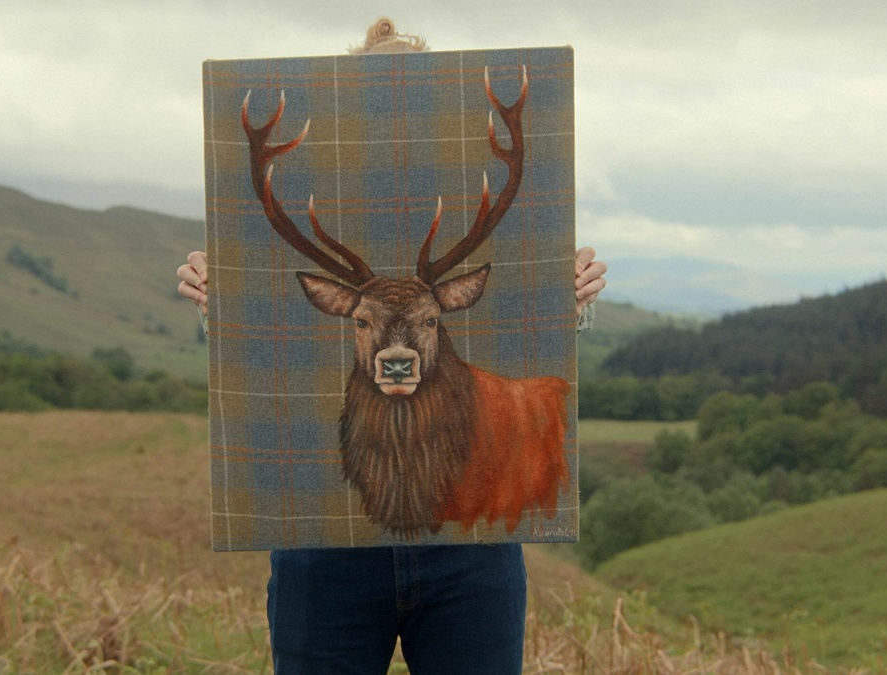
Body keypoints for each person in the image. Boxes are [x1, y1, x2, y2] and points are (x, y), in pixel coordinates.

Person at [177, 19, 608, 674]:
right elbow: (271, 347)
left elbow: (518, 331)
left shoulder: (486, 200)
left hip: (472, 544)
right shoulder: (305, 198)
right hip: (322, 547)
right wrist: (226, 303)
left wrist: (565, 302)